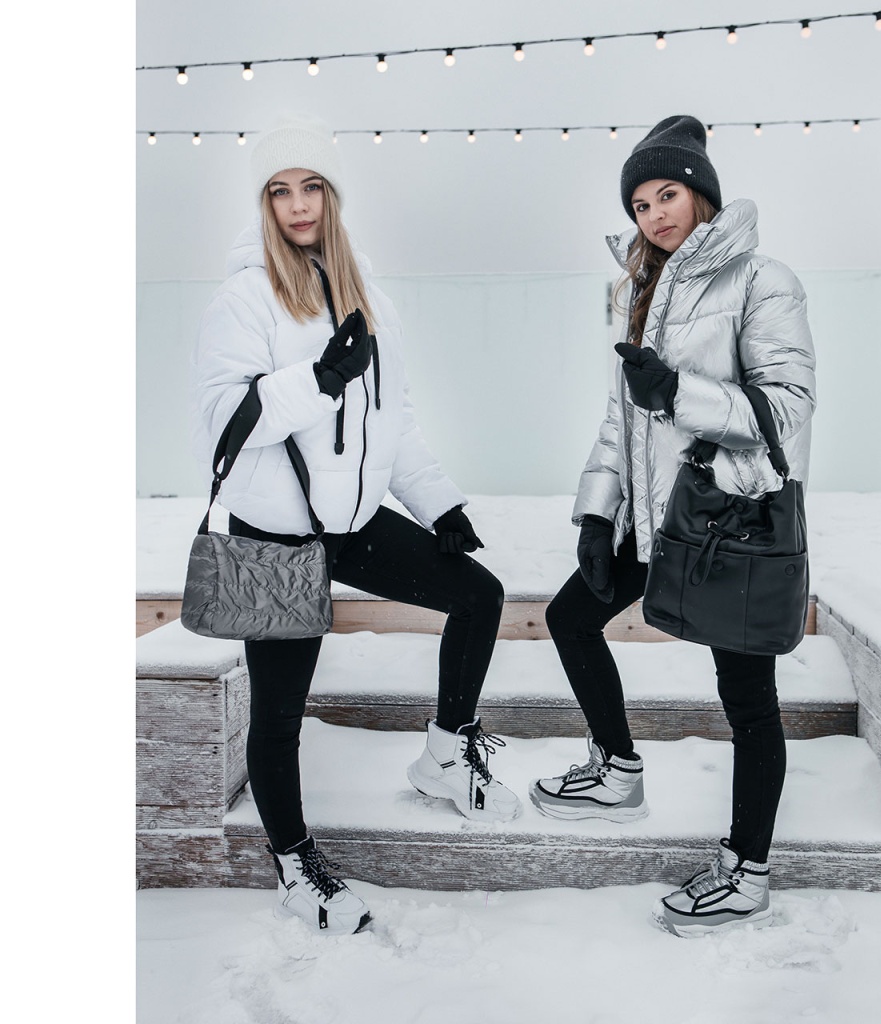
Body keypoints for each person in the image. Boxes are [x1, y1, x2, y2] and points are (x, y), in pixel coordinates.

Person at [190, 115, 521, 933]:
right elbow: (224, 423)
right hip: (274, 534)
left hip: (355, 520)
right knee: (279, 716)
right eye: (280, 190)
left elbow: (392, 422)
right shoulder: (244, 297)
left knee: (479, 596)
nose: (298, 204)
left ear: (332, 196)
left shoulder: (370, 298)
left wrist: (438, 501)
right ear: (264, 204)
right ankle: (294, 864)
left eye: (311, 187)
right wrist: (318, 380)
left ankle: (446, 754)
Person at [528, 115, 816, 935]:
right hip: (654, 521)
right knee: (570, 617)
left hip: (728, 520)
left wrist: (679, 396)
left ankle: (747, 872)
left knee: (747, 699)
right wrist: (598, 512)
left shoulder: (763, 280)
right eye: (640, 204)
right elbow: (621, 416)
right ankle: (617, 770)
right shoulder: (639, 293)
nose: (654, 215)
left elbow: (786, 411)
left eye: (667, 195)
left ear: (701, 195)